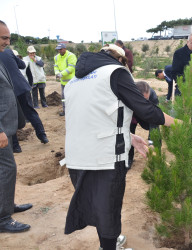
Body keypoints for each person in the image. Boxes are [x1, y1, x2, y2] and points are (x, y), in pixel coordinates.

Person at [63, 44, 178, 250]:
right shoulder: (115, 72)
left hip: (76, 157)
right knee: (109, 210)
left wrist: (130, 136)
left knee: (99, 208)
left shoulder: (75, 80)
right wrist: (182, 124)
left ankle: (108, 245)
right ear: (122, 60)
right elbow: (147, 111)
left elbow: (91, 118)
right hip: (105, 158)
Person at [0, 20, 32, 234]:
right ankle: (3, 218)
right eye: (4, 38)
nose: (8, 42)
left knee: (6, 169)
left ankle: (7, 206)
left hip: (7, 125)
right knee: (7, 168)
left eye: (8, 37)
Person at [0, 48, 49, 153]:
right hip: (22, 88)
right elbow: (22, 65)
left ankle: (16, 147)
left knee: (9, 118)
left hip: (7, 92)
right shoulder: (8, 51)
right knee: (31, 113)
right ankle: (43, 136)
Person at [128, 81, 160, 168]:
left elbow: (154, 121)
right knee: (129, 133)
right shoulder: (127, 95)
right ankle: (129, 159)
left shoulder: (153, 97)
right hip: (132, 114)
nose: (145, 101)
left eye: (147, 98)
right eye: (143, 99)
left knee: (155, 132)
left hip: (146, 114)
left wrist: (151, 142)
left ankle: (157, 159)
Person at [171, 33, 192, 102]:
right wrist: (186, 85)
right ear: (187, 42)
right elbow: (175, 73)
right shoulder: (179, 53)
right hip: (184, 91)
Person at [54, 43, 77, 116]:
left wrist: (61, 74)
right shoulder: (56, 57)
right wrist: (57, 73)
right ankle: (65, 111)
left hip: (71, 81)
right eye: (58, 50)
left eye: (61, 49)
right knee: (63, 97)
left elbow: (71, 68)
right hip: (63, 82)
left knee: (72, 97)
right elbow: (56, 66)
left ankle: (74, 111)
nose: (59, 51)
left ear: (65, 49)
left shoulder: (71, 56)